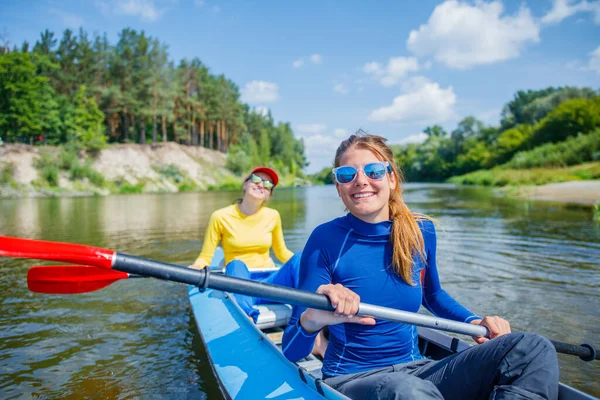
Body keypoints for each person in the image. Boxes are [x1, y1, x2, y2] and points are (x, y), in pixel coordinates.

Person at [281, 132, 559, 400]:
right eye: (347, 175)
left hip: (418, 371)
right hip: (352, 379)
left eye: (374, 171)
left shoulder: (420, 230)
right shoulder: (325, 239)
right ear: (338, 187)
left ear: (391, 179)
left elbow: (432, 295)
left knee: (532, 348)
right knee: (407, 391)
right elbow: (292, 350)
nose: (361, 181)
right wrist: (312, 319)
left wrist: (474, 322)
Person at [189, 166, 328, 356]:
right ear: (245, 184)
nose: (261, 185)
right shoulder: (220, 216)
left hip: (271, 282)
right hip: (240, 281)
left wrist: (308, 266)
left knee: (299, 259)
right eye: (256, 179)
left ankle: (314, 339)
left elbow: (282, 253)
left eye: (268, 184)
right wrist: (196, 268)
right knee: (236, 264)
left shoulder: (273, 216)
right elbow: (206, 256)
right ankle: (249, 327)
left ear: (269, 195)